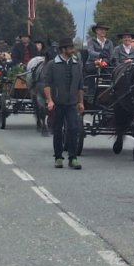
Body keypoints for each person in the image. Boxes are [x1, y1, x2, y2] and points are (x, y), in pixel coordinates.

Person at [41, 37, 85, 170]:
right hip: (57, 103)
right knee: (58, 130)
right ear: (63, 49)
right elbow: (47, 84)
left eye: (72, 47)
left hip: (71, 103)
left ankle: (73, 158)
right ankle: (58, 157)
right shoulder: (52, 65)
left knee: (73, 129)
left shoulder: (77, 64)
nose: (72, 50)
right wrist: (49, 100)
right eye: (70, 48)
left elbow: (80, 86)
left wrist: (81, 102)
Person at [85, 22, 114, 96]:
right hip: (93, 62)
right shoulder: (91, 41)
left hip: (106, 63)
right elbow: (91, 52)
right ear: (96, 31)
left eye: (104, 30)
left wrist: (105, 61)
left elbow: (111, 55)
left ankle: (109, 92)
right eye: (101, 29)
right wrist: (99, 55)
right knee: (90, 71)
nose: (103, 31)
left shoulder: (109, 42)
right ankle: (91, 93)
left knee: (111, 73)